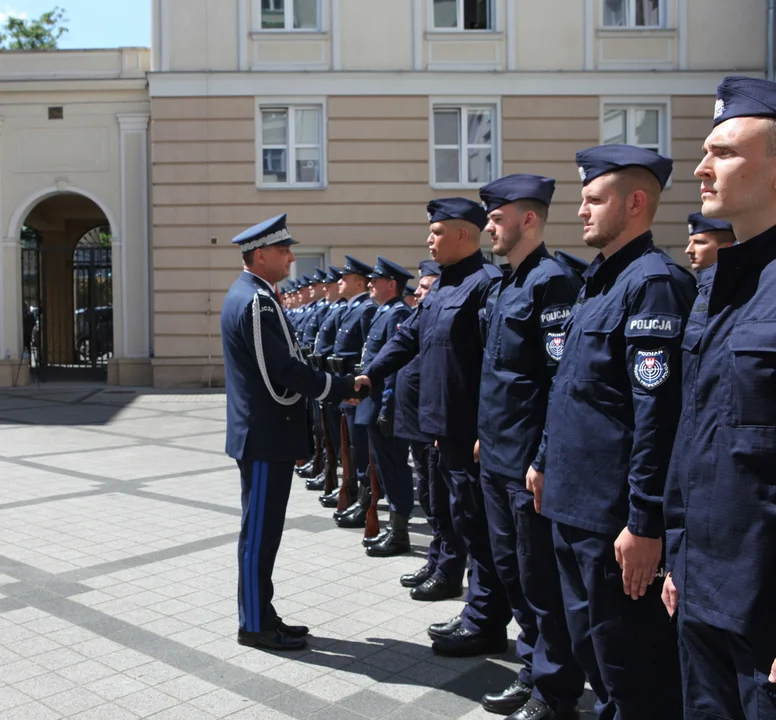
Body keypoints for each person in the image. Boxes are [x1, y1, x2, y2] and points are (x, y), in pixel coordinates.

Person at [532, 145, 697, 719]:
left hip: (613, 521)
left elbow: (658, 416)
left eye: (593, 199)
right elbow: (571, 388)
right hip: (572, 506)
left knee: (632, 668)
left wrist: (644, 522)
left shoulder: (654, 284)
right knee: (591, 651)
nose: (581, 211)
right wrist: (545, 459)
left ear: (634, 204)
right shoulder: (599, 282)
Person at [663, 75, 776, 720]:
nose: (703, 167)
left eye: (726, 151)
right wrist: (680, 555)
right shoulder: (721, 284)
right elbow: (698, 432)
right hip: (704, 589)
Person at [358, 197, 512, 657]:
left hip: (471, 435)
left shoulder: (486, 286)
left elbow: (495, 366)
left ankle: (485, 622)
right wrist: (370, 376)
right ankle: (476, 613)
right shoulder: (444, 286)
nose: (429, 239)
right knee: (460, 520)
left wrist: (488, 429)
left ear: (464, 234)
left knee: (480, 533)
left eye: (437, 232)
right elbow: (407, 338)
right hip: (440, 431)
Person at [221, 213, 366, 652]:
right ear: (260, 254)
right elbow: (279, 372)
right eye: (284, 251)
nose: (291, 257)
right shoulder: (257, 301)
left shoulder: (255, 294)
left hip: (265, 434)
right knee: (259, 536)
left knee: (263, 535)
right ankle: (254, 625)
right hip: (266, 435)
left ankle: (262, 613)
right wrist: (337, 388)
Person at [476, 174, 585, 720]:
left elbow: (559, 381)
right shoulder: (504, 284)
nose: (489, 228)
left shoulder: (552, 282)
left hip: (526, 465)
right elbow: (500, 375)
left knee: (540, 579)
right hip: (495, 456)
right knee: (512, 573)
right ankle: (532, 668)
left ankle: (555, 693)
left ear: (529, 219)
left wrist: (542, 458)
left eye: (497, 219)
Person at [394, 260, 466, 601]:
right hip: (419, 426)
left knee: (444, 503)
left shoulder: (442, 321)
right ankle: (436, 560)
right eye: (419, 288)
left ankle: (448, 570)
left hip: (438, 429)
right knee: (431, 499)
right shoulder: (422, 319)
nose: (419, 293)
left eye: (425, 287)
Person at [355, 256, 416, 557]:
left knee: (394, 469)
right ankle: (395, 529)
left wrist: (387, 407)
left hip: (385, 404)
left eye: (375, 280)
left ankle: (400, 533)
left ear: (391, 284)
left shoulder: (398, 314)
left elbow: (395, 367)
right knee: (383, 467)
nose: (369, 284)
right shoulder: (385, 312)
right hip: (374, 401)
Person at [330, 256, 379, 528]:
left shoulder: (367, 310)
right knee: (351, 445)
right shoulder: (353, 308)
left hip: (358, 390)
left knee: (361, 448)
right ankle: (359, 496)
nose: (339, 283)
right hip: (347, 388)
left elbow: (368, 354)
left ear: (359, 282)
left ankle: (366, 500)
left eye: (344, 278)